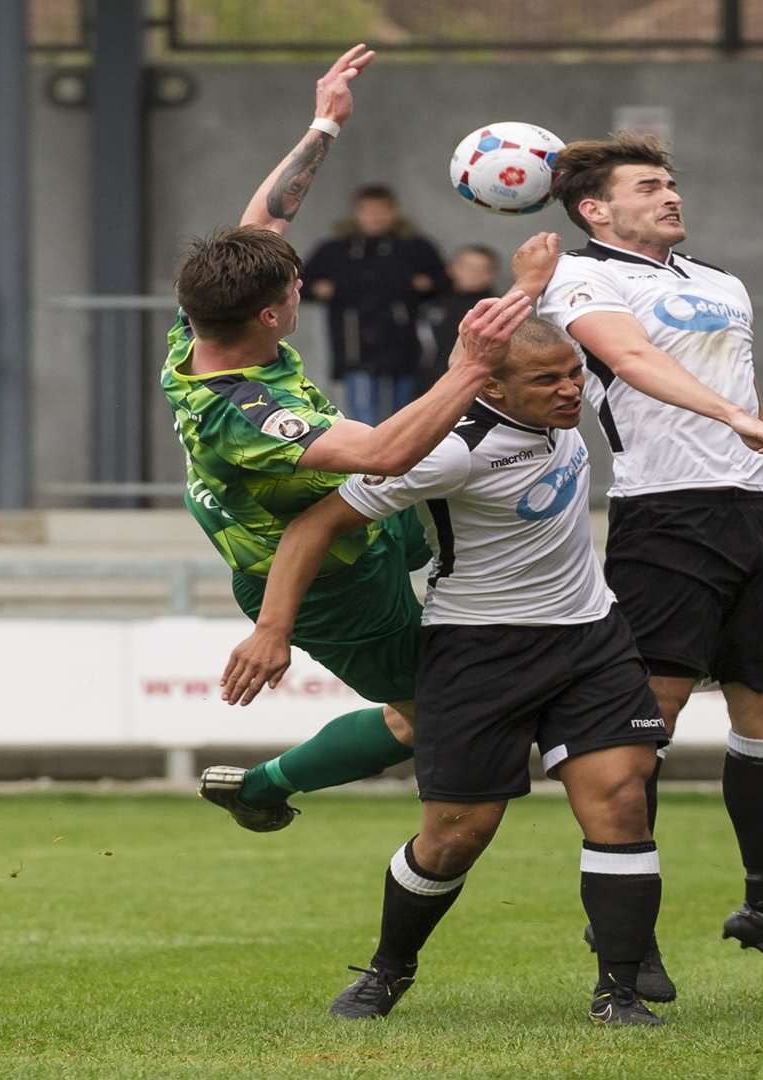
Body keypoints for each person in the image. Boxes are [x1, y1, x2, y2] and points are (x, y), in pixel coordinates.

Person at [220, 316, 669, 1027]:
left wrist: (526, 278)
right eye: (548, 380)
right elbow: (313, 527)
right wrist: (272, 629)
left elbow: (500, 335)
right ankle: (388, 969)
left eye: (574, 373)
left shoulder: (556, 415)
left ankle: (618, 989)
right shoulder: (449, 452)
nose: (569, 390)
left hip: (590, 638)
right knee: (457, 833)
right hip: (480, 651)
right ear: (490, 386)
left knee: (620, 801)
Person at [162, 45, 543, 833]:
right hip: (325, 579)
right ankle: (265, 785)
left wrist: (323, 122)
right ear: (269, 315)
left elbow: (263, 223)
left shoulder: (205, 317)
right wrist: (472, 366)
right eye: (293, 287)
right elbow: (381, 455)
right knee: (429, 716)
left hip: (366, 517)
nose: (302, 287)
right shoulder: (243, 417)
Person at [520, 133, 763, 998]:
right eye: (648, 185)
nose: (670, 194)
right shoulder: (581, 277)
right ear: (596, 209)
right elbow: (629, 359)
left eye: (671, 182)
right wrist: (731, 421)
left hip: (758, 518)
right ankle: (627, 938)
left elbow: (749, 400)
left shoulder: (721, 283)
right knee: (640, 732)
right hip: (666, 519)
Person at [303, 184, 450, 423]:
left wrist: (427, 284)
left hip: (402, 341)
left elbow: (444, 282)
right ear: (356, 213)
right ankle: (366, 455)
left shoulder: (415, 247)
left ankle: (399, 456)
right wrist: (319, 289)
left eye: (382, 210)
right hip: (354, 342)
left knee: (403, 413)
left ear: (394, 212)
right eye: (368, 210)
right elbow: (301, 284)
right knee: (362, 414)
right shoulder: (334, 250)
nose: (375, 216)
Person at [419, 244, 500, 394]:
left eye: (480, 269)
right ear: (451, 269)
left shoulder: (496, 309)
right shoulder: (433, 304)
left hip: (472, 388)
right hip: (429, 383)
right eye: (467, 266)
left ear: (491, 274)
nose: (472, 273)